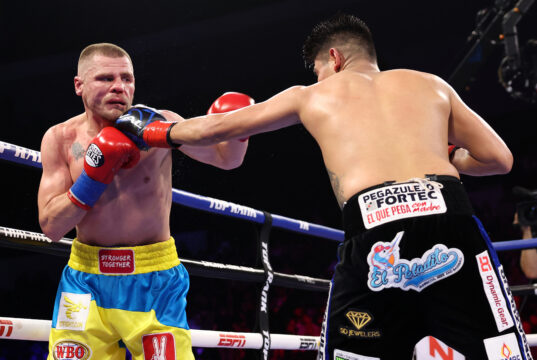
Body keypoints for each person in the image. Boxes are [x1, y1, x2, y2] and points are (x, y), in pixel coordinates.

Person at [114, 13, 531, 360]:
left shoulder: (311, 95)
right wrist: (450, 155)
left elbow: (220, 127)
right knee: (500, 351)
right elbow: (499, 159)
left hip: (375, 238)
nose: (318, 77)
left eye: (318, 69)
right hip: (452, 225)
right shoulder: (431, 84)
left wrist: (153, 132)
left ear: (333, 57)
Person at [37, 43, 250, 360]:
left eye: (127, 78)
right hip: (84, 281)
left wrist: (237, 129)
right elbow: (52, 227)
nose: (119, 87)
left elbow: (225, 159)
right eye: (105, 78)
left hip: (154, 279)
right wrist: (93, 178)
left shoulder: (161, 125)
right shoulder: (61, 138)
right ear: (79, 85)